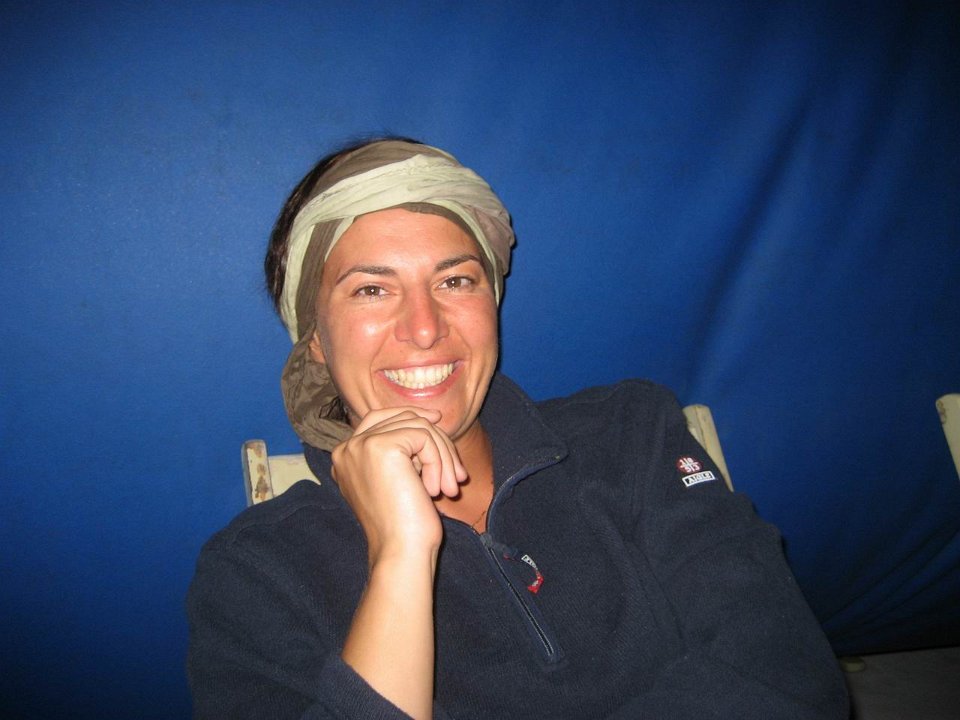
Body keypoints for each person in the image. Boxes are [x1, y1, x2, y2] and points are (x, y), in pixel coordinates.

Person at [187, 138, 849, 719]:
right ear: (316, 340)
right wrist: (399, 556)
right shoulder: (256, 573)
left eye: (455, 280)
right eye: (371, 289)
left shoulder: (630, 435)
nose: (425, 328)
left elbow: (785, 676)